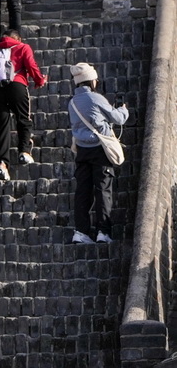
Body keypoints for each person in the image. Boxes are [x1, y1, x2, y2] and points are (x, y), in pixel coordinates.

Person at [68, 62, 128, 244]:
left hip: (82, 151)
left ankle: (81, 231)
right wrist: (123, 109)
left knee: (83, 191)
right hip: (99, 149)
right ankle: (103, 232)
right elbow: (118, 118)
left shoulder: (72, 102)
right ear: (91, 81)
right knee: (102, 190)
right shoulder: (96, 98)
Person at [0, 30, 47, 181]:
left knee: (2, 129)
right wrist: (39, 80)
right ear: (17, 38)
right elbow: (31, 65)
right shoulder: (22, 47)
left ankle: (1, 164)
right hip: (16, 85)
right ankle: (24, 152)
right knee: (23, 119)